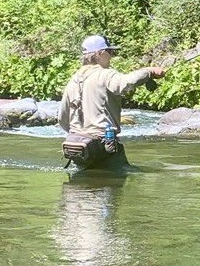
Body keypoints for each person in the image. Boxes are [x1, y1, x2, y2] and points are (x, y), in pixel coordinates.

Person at [59, 35, 165, 169]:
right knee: (117, 182)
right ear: (100, 53)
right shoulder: (105, 75)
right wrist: (150, 71)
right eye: (110, 52)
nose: (111, 56)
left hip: (76, 146)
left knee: (83, 184)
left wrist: (79, 133)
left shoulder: (73, 80)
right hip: (103, 145)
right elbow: (126, 83)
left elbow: (62, 119)